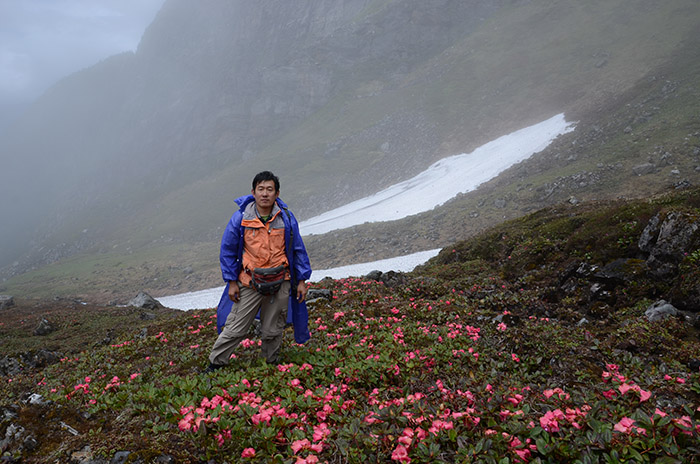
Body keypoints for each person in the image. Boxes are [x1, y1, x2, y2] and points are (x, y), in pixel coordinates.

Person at [205, 171, 312, 372]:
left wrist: (301, 280)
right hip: (249, 282)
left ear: (277, 193)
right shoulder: (240, 218)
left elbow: (298, 250)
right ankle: (216, 363)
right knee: (236, 327)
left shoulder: (287, 218)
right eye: (260, 189)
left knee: (273, 328)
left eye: (269, 189)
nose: (265, 194)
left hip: (281, 280)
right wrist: (232, 282)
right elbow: (228, 251)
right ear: (253, 192)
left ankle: (270, 362)